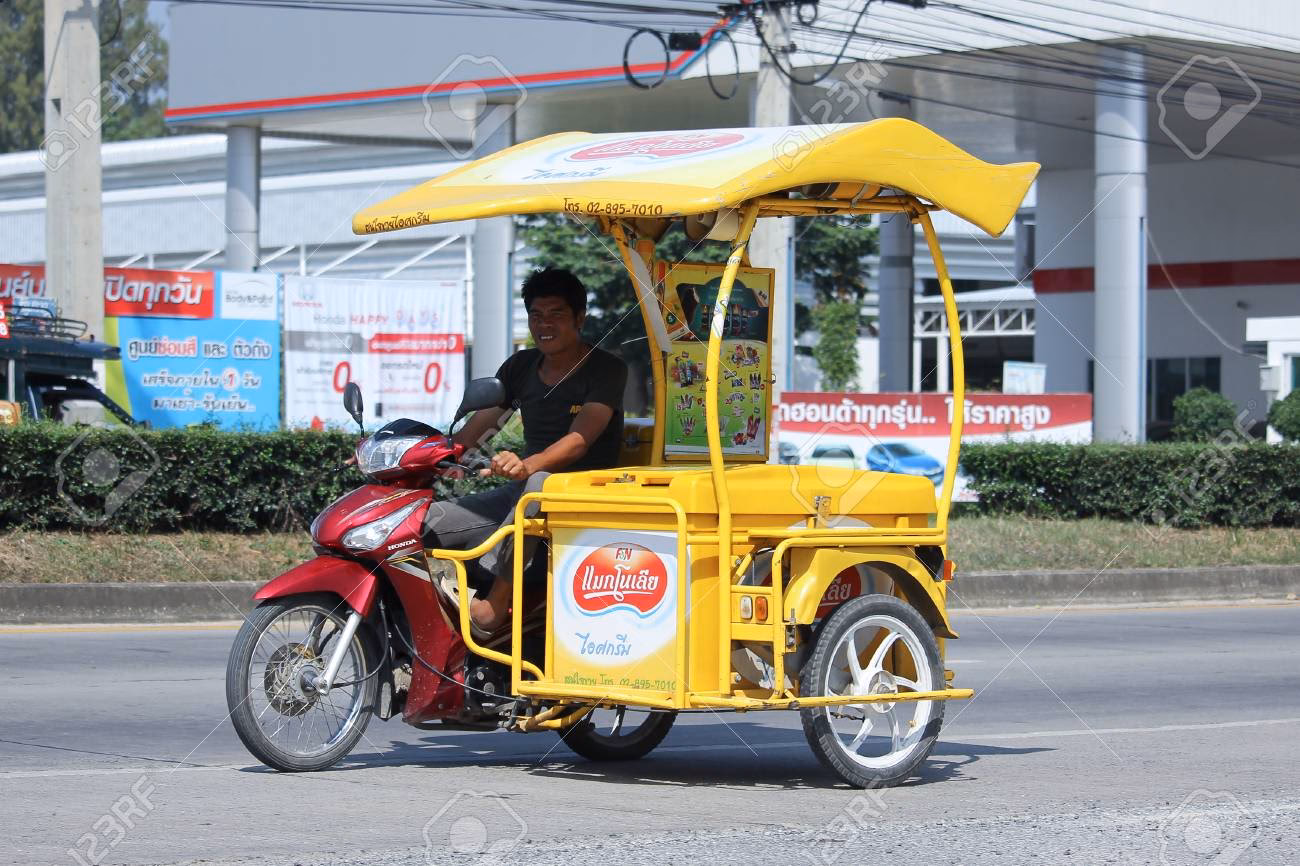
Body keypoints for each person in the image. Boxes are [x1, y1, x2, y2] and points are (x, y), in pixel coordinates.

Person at [424, 267, 628, 632]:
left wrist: (527, 465)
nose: (544, 324)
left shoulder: (606, 369)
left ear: (580, 318)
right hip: (525, 490)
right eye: (536, 315)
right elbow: (480, 426)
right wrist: (432, 456)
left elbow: (579, 440)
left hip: (585, 492)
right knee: (423, 522)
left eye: (556, 314)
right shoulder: (520, 366)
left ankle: (494, 606)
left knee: (539, 483)